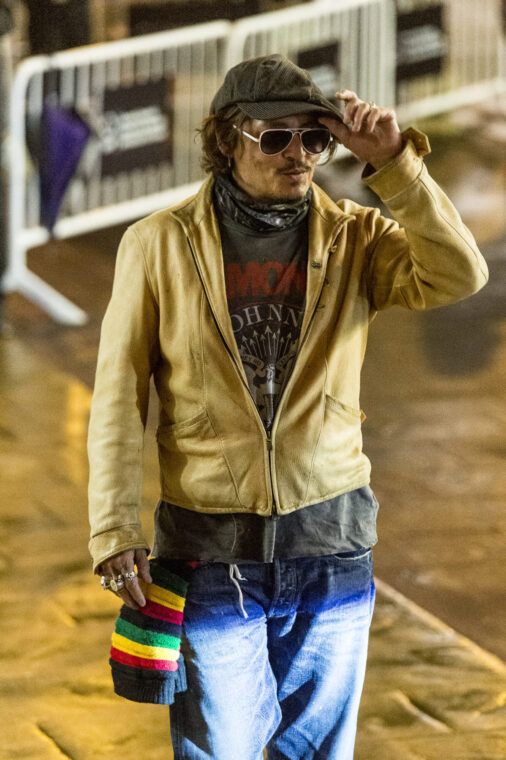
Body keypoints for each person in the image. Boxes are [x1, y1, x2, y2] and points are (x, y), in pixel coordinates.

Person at [88, 54, 488, 759]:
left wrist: (395, 163)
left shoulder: (355, 237)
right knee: (222, 746)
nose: (298, 155)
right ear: (227, 140)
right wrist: (114, 528)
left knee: (315, 752)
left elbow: (460, 272)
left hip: (330, 543)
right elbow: (121, 397)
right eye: (276, 137)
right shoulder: (157, 245)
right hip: (211, 552)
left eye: (314, 139)